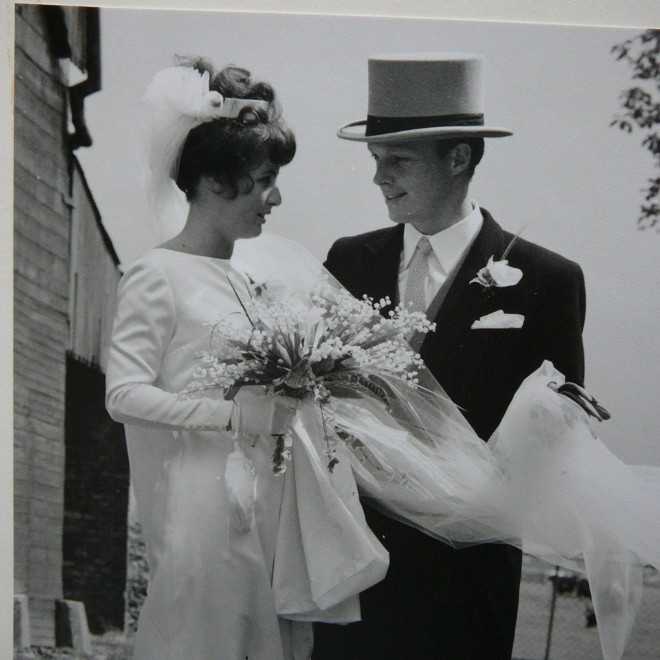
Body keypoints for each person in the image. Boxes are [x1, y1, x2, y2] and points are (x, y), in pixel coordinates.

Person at [105, 59, 388, 660]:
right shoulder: (156, 274)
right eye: (263, 180)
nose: (274, 198)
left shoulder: (246, 278)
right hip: (204, 503)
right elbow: (122, 394)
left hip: (268, 499)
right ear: (214, 182)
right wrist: (235, 416)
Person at [313, 53, 587, 659]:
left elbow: (556, 436)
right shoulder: (347, 260)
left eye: (398, 160)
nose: (379, 177)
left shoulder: (548, 280)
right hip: (350, 571)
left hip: (466, 583)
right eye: (376, 159)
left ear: (459, 157)